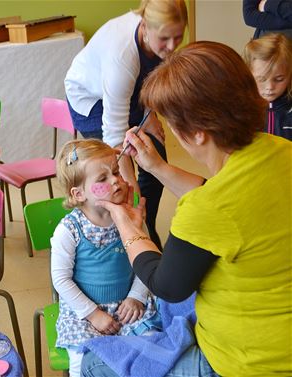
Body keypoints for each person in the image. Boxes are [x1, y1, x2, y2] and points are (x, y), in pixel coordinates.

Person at [81, 41, 292, 376]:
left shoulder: (208, 209)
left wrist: (126, 221)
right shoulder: (281, 149)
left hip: (253, 362)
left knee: (93, 363)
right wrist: (157, 168)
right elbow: (229, 203)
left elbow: (167, 285)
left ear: (195, 133)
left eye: (171, 125)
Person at [64, 0, 188, 250]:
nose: (172, 46)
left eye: (179, 37)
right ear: (145, 25)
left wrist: (147, 112)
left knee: (156, 156)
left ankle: (145, 225)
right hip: (91, 97)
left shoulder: (158, 41)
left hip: (129, 95)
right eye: (165, 39)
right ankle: (123, 236)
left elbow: (150, 80)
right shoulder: (121, 55)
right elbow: (114, 137)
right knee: (110, 176)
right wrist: (127, 186)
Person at [52, 139, 160, 377]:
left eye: (115, 172)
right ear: (78, 194)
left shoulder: (131, 219)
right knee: (83, 364)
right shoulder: (69, 230)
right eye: (102, 179)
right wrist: (92, 314)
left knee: (152, 352)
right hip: (86, 315)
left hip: (129, 308)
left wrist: (136, 297)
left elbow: (147, 260)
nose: (115, 180)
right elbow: (61, 280)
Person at [244, 32, 292, 140]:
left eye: (279, 79)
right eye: (261, 79)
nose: (270, 87)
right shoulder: (243, 108)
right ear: (249, 74)